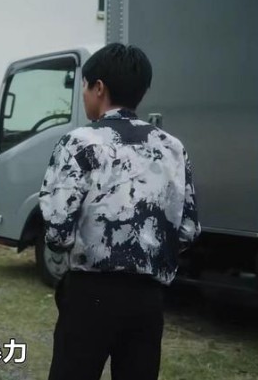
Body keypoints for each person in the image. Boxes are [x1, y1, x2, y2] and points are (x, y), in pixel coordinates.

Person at [39, 43, 201, 380]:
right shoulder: (172, 147)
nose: (84, 94)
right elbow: (187, 230)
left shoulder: (80, 142)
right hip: (148, 299)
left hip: (89, 294)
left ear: (99, 88)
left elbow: (57, 230)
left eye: (85, 86)